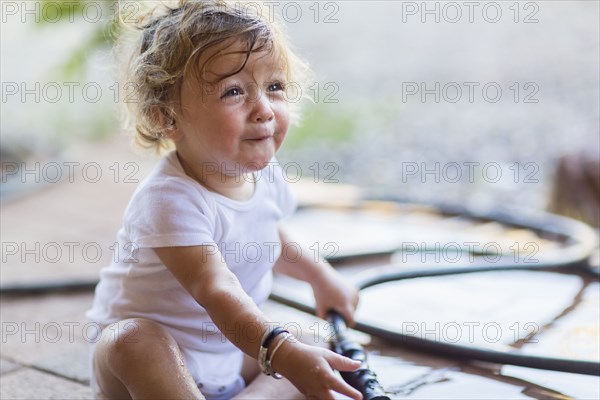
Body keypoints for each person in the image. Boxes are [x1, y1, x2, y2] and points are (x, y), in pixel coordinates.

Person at [86, 1, 362, 399]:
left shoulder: (265, 177)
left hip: (229, 352)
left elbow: (269, 236)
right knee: (133, 340)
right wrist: (278, 349)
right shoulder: (169, 199)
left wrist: (321, 277)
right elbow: (215, 288)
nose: (264, 110)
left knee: (315, 342)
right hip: (151, 367)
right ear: (167, 117)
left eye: (275, 87)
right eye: (234, 91)